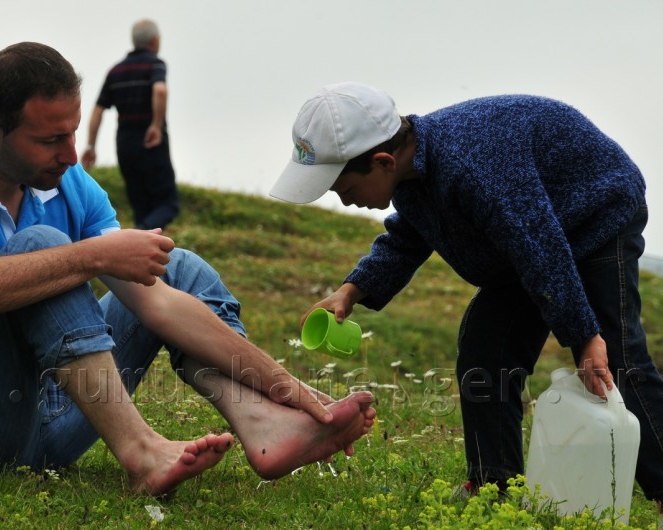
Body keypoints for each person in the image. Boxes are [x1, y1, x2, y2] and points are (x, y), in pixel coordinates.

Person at [0, 44, 376, 497]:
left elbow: (156, 303)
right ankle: (142, 453)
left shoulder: (69, 183)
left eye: (73, 133)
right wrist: (91, 256)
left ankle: (263, 421)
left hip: (54, 420)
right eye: (51, 140)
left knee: (175, 267)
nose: (71, 155)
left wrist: (290, 388)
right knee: (44, 249)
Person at [270, 82, 663, 514]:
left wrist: (584, 337)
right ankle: (493, 485)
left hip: (594, 215)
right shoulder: (413, 171)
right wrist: (351, 290)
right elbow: (409, 236)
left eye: (345, 189)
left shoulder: (474, 165)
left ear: (382, 161)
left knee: (617, 357)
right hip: (527, 238)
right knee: (486, 346)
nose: (345, 201)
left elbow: (540, 247)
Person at [81, 19, 180, 231]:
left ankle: (141, 249)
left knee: (140, 205)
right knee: (168, 204)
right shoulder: (156, 65)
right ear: (155, 40)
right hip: (151, 141)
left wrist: (91, 146)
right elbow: (160, 91)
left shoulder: (115, 71)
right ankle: (137, 236)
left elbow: (98, 110)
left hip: (125, 143)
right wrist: (155, 125)